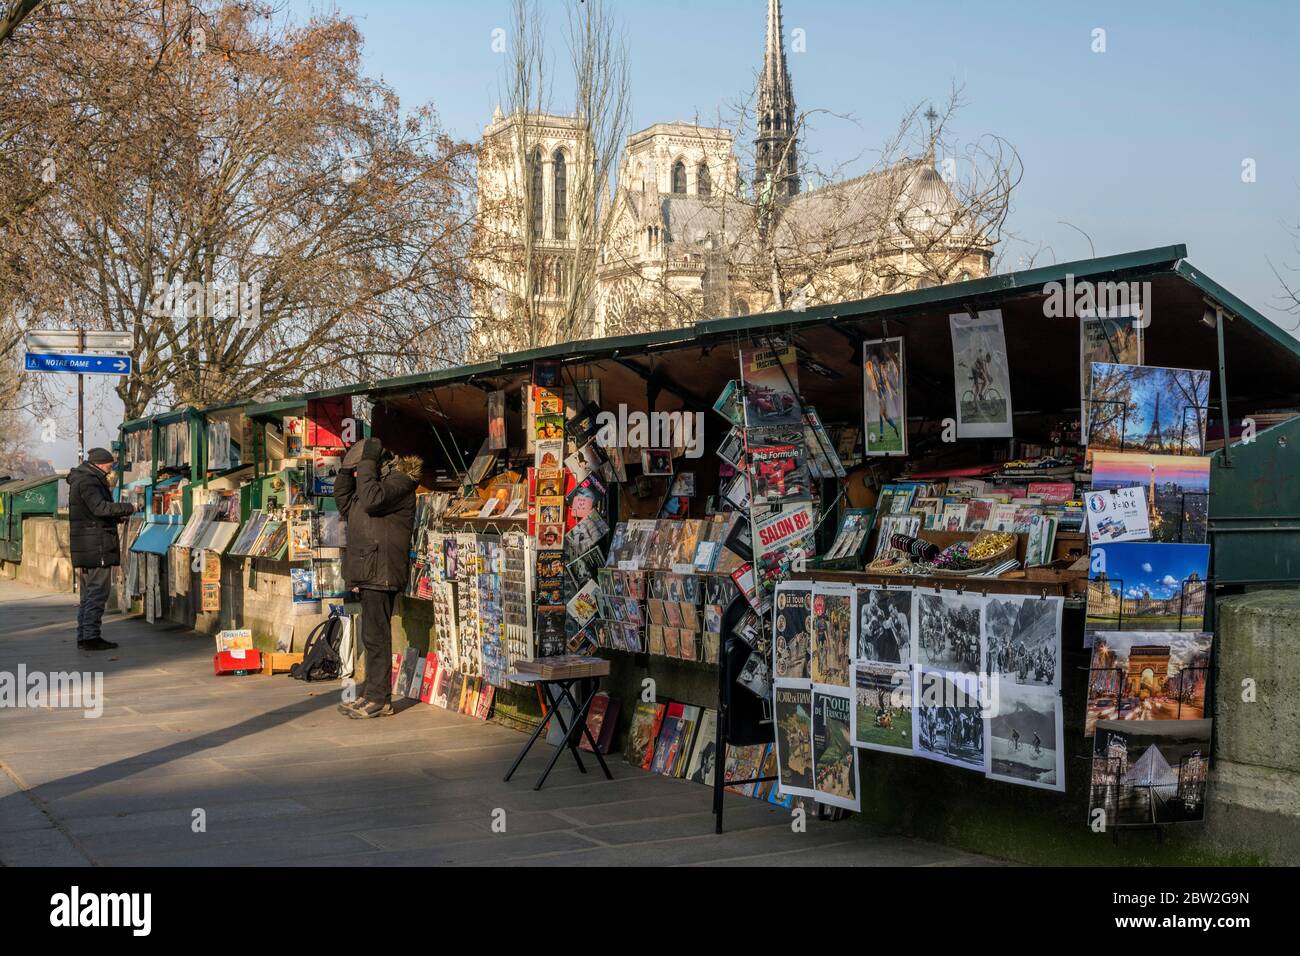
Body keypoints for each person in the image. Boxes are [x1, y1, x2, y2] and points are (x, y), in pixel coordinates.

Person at [334, 437, 420, 719]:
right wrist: (347, 469)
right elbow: (344, 502)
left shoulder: (399, 483)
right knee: (371, 636)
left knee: (377, 636)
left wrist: (367, 459)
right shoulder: (373, 485)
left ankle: (379, 699)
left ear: (379, 464)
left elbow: (371, 501)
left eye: (365, 466)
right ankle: (372, 694)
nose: (361, 472)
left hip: (382, 571)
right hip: (368, 569)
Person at [67, 448, 137, 651]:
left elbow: (94, 512)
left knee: (88, 594)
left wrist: (117, 516)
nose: (111, 466)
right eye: (109, 463)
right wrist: (129, 508)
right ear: (100, 463)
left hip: (88, 544)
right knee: (97, 592)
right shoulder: (88, 481)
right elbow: (100, 508)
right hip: (96, 546)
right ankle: (91, 637)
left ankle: (84, 635)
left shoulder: (83, 478)